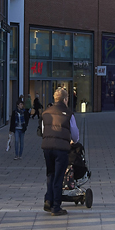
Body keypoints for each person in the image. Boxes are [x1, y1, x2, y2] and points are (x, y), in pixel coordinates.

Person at [38, 85, 80, 216]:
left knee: (50, 174)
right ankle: (56, 206)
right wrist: (73, 141)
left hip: (47, 147)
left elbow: (44, 131)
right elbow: (75, 134)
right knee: (58, 177)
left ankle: (48, 200)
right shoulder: (68, 114)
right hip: (61, 149)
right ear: (65, 99)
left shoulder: (46, 112)